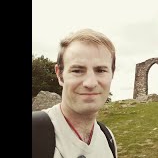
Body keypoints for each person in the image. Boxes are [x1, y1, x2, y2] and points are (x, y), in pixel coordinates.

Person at [37, 28, 117, 158]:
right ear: (60, 74)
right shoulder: (35, 133)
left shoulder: (108, 139)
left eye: (101, 70)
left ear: (112, 74)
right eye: (77, 70)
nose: (90, 83)